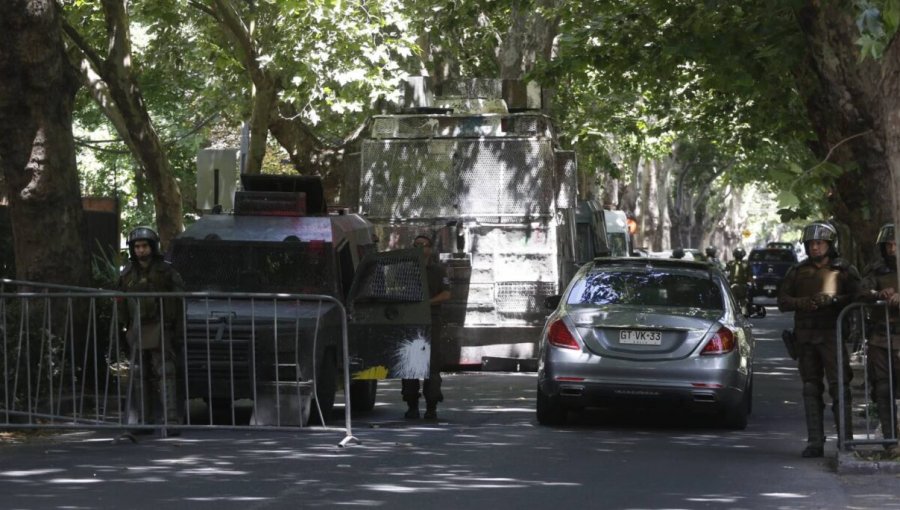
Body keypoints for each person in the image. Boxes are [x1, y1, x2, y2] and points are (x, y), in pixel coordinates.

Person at [778, 221, 860, 458]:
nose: (815, 247)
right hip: (805, 338)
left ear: (829, 245)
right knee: (810, 388)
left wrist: (833, 300)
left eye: (819, 243)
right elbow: (783, 301)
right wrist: (801, 303)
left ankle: (847, 440)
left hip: (832, 336)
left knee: (840, 387)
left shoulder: (843, 270)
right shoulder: (797, 271)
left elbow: (859, 295)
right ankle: (815, 441)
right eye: (811, 243)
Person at [117, 226, 185, 433]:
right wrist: (121, 332)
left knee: (166, 371)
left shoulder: (166, 272)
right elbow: (120, 304)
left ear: (152, 247)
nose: (140, 250)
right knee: (139, 373)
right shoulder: (127, 274)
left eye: (144, 246)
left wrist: (177, 331)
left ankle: (171, 421)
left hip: (160, 327)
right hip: (136, 329)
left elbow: (179, 303)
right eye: (137, 246)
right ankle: (144, 421)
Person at [856, 223, 900, 455]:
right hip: (881, 337)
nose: (892, 249)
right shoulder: (875, 269)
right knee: (883, 389)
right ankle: (891, 440)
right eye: (888, 245)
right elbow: (861, 291)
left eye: (895, 244)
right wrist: (878, 294)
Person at [402, 234, 451, 420]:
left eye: (424, 245)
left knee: (431, 365)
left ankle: (431, 407)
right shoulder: (406, 271)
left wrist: (427, 303)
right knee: (410, 364)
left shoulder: (438, 271)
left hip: (432, 321)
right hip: (410, 321)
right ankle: (411, 404)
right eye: (417, 245)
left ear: (430, 249)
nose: (421, 248)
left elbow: (446, 294)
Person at [725, 247, 751, 314]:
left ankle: (733, 315)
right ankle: (744, 314)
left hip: (732, 286)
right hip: (743, 286)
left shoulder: (730, 263)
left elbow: (725, 273)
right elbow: (750, 277)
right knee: (743, 302)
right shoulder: (746, 264)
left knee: (732, 303)